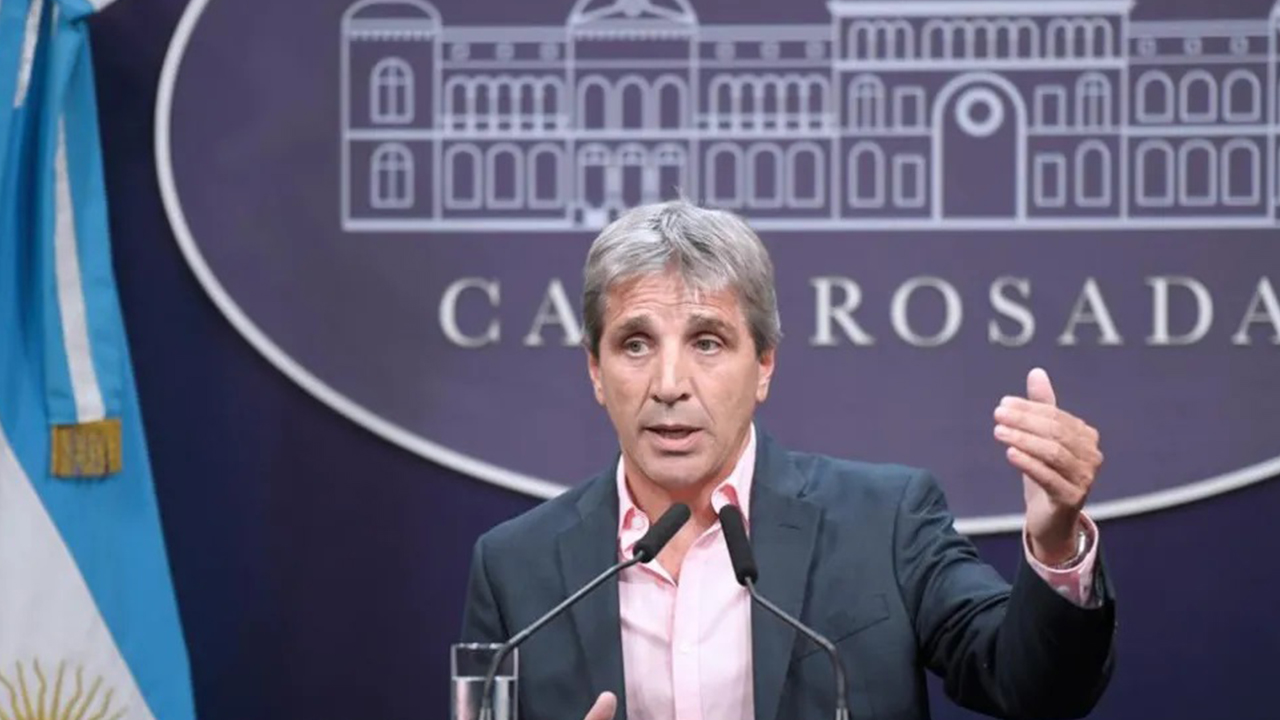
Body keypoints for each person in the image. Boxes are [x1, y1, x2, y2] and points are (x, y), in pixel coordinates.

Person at [461, 201, 1114, 720]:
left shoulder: (882, 524)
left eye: (707, 342)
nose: (669, 384)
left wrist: (1057, 542)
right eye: (635, 344)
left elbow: (1036, 689)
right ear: (595, 371)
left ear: (764, 365)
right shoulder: (515, 568)